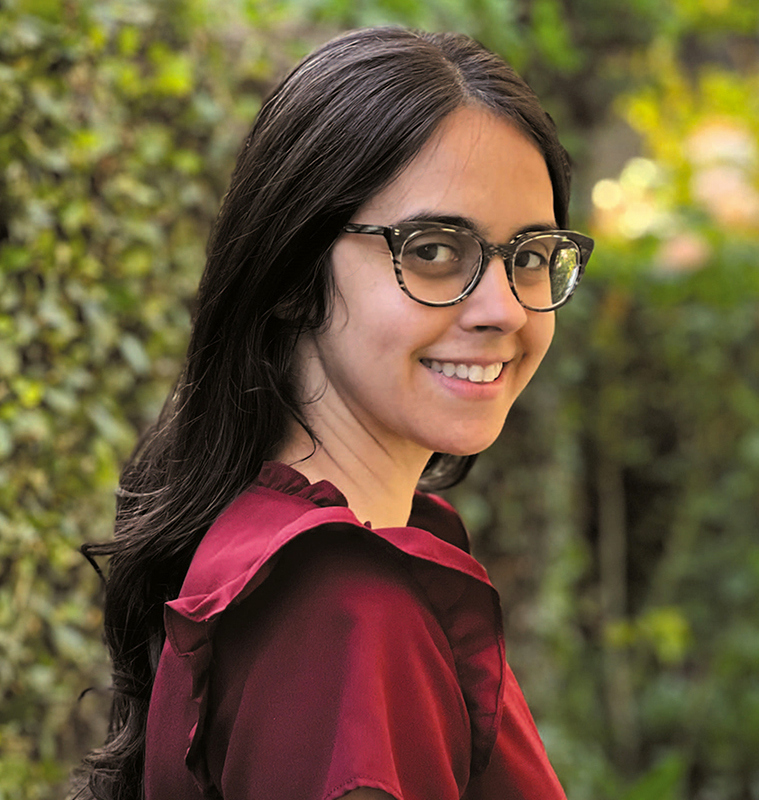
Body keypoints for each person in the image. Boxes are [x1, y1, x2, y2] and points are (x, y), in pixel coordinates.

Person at [74, 25, 593, 800]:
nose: (505, 310)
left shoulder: (291, 547)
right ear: (293, 273)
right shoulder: (346, 615)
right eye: (433, 249)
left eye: (530, 256)